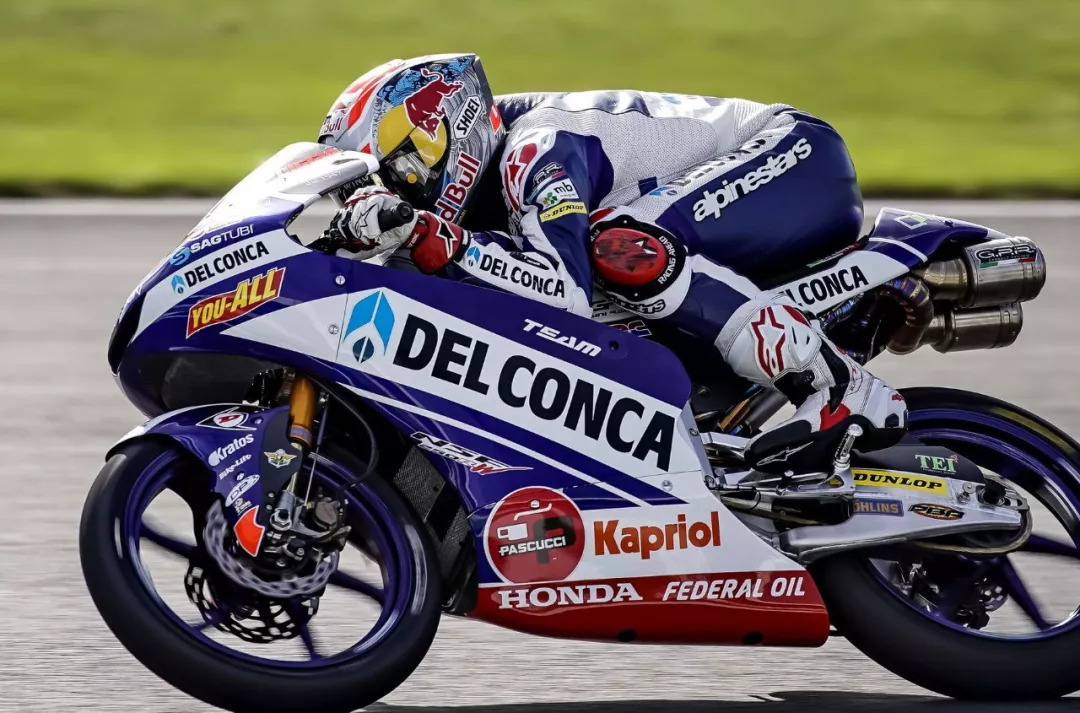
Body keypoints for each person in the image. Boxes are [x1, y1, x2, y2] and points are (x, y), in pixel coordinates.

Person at [316, 53, 906, 473]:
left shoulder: (535, 147)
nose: (398, 190)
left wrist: (439, 239)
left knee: (616, 244)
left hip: (794, 155)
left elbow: (562, 292)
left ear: (453, 126)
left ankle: (839, 385)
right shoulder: (489, 176)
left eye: (402, 167)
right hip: (735, 205)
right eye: (369, 187)